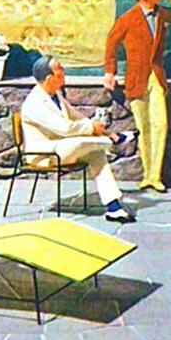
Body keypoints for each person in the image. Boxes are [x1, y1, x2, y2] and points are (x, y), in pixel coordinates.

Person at [103, 0, 171, 193]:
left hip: (157, 76)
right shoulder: (128, 18)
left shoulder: (161, 13)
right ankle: (147, 174)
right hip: (136, 78)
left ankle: (155, 175)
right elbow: (111, 43)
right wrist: (110, 72)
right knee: (143, 127)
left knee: (160, 124)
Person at [20, 56, 135, 223]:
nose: (64, 72)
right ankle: (115, 142)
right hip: (45, 154)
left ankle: (113, 207)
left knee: (96, 153)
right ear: (49, 78)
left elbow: (76, 116)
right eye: (60, 70)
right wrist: (92, 128)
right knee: (78, 142)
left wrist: (104, 132)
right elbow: (65, 128)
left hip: (63, 148)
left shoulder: (55, 95)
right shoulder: (34, 103)